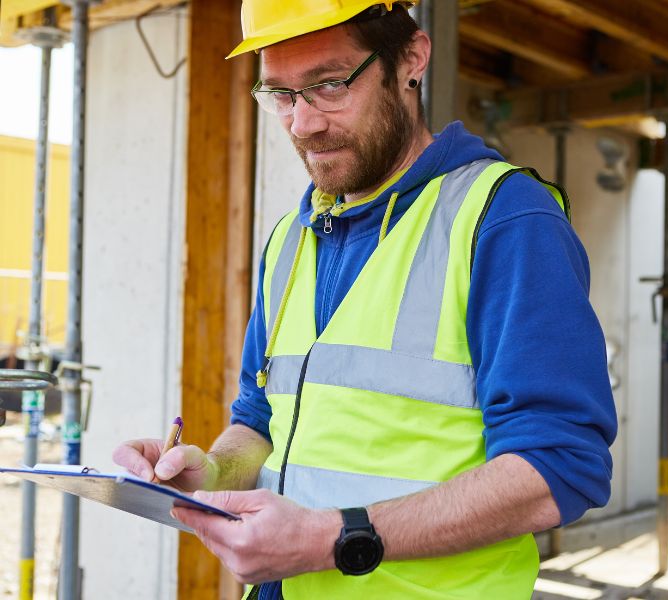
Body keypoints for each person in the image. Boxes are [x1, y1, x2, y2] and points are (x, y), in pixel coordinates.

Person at [113, 2, 617, 598]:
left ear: (411, 60)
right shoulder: (291, 239)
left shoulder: (504, 220)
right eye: (280, 95)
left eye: (328, 85)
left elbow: (559, 466)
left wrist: (333, 537)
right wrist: (212, 472)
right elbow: (260, 419)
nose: (302, 124)